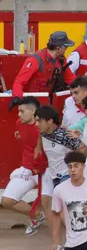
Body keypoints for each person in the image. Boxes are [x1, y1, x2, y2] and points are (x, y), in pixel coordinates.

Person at [36, 105, 87, 250]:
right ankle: (60, 243)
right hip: (54, 176)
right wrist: (37, 148)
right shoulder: (43, 133)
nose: (36, 124)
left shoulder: (64, 135)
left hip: (67, 176)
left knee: (68, 212)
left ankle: (84, 241)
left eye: (39, 121)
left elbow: (83, 149)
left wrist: (73, 165)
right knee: (55, 209)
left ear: (50, 121)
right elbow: (40, 137)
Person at [1, 97, 48, 236]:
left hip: (46, 171)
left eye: (22, 111)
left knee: (54, 203)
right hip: (27, 169)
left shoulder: (43, 129)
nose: (19, 115)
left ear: (33, 111)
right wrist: (19, 134)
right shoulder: (20, 123)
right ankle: (38, 216)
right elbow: (22, 132)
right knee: (7, 201)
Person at [10, 31, 74, 108]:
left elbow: (71, 79)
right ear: (58, 48)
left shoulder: (61, 60)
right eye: (65, 46)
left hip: (47, 104)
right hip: (31, 104)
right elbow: (19, 81)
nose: (66, 49)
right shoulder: (35, 60)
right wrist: (17, 96)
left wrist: (84, 85)